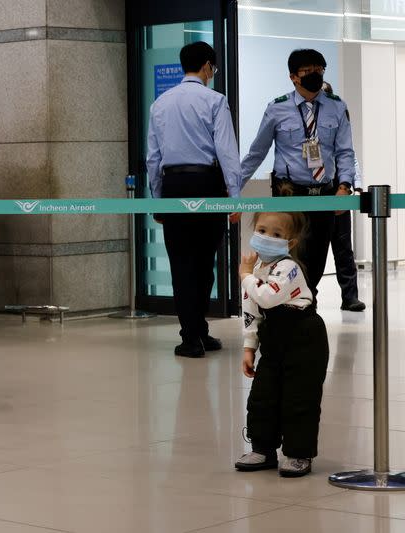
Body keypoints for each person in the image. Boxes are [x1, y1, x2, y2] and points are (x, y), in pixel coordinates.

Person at [145, 41, 243, 358]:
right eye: (212, 68)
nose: (212, 73)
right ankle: (197, 331)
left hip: (173, 184)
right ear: (206, 67)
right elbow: (227, 152)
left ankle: (193, 335)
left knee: (181, 263)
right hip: (207, 184)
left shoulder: (159, 104)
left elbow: (152, 158)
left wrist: (158, 198)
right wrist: (235, 197)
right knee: (204, 262)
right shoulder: (215, 101)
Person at [241, 49, 356, 296]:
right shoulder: (277, 108)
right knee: (287, 256)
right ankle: (287, 306)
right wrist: (232, 188)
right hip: (289, 195)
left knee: (316, 258)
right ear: (293, 76)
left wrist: (344, 187)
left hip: (324, 194)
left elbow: (345, 151)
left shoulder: (337, 107)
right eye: (308, 71)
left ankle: (306, 302)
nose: (315, 74)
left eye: (319, 69)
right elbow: (256, 153)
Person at [235, 211, 329, 477]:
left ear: (290, 242)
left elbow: (267, 297)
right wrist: (249, 348)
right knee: (263, 396)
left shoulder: (289, 268)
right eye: (262, 230)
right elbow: (251, 311)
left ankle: (299, 453)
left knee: (299, 398)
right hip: (274, 340)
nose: (267, 238)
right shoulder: (254, 272)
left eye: (276, 235)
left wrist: (245, 276)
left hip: (304, 338)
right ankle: (262, 448)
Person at [322, 82, 365, 312]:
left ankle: (350, 296)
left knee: (343, 247)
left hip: (339, 189)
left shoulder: (339, 112)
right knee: (310, 248)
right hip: (314, 189)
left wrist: (354, 184)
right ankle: (308, 298)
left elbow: (350, 154)